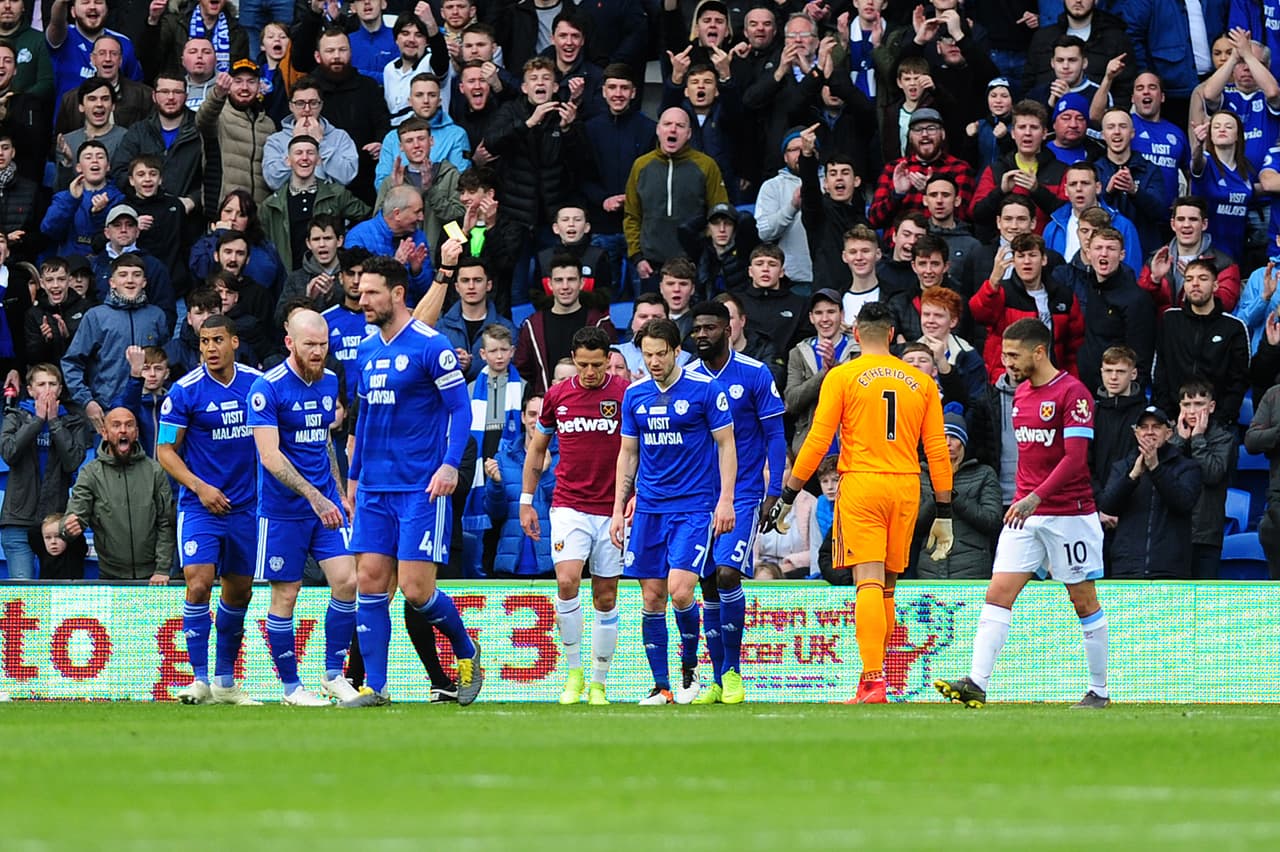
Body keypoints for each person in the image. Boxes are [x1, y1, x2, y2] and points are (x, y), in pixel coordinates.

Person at [766, 301, 953, 704]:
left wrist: (789, 494)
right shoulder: (920, 381)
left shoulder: (843, 375)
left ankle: (872, 681)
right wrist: (944, 512)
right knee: (887, 585)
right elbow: (937, 450)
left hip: (862, 482)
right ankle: (880, 675)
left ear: (855, 333)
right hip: (906, 486)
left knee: (866, 579)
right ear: (891, 335)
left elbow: (818, 440)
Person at [935, 318, 1109, 709]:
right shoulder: (1022, 395)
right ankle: (976, 682)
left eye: (1014, 355)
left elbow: (1075, 460)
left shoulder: (1073, 394)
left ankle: (1099, 690)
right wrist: (1025, 499)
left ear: (1039, 352)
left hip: (1069, 515)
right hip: (1026, 514)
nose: (1007, 362)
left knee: (1083, 600)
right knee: (998, 592)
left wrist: (1036, 497)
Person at [342, 252, 483, 707]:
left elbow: (460, 410)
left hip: (421, 486)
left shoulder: (431, 346)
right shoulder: (366, 349)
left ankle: (466, 649)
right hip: (374, 487)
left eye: (371, 292)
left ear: (398, 294)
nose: (362, 299)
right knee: (369, 582)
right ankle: (375, 686)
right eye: (360, 291)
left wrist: (449, 464)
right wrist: (354, 477)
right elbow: (364, 418)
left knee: (417, 590)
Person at [610, 317, 736, 705]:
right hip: (649, 508)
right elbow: (628, 454)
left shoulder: (704, 390)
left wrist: (726, 499)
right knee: (652, 598)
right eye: (647, 355)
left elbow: (726, 445)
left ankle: (689, 670)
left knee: (680, 591)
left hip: (694, 507)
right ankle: (661, 686)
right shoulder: (635, 395)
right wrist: (617, 509)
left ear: (677, 351)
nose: (653, 362)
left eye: (661, 354)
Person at [249, 310, 360, 706]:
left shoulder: (329, 381)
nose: (317, 351)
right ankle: (291, 688)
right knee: (286, 594)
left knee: (347, 581)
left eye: (323, 344)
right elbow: (269, 456)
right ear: (290, 343)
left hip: (325, 503)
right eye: (309, 344)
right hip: (283, 510)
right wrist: (314, 497)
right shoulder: (267, 388)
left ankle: (333, 674)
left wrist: (338, 492)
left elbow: (322, 442)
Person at [156, 316, 263, 706]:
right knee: (199, 583)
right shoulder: (184, 392)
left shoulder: (257, 385)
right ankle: (199, 679)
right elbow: (165, 450)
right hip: (200, 506)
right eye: (204, 342)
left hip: (246, 507)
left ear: (234, 341)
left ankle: (224, 683)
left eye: (218, 340)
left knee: (239, 592)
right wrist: (200, 487)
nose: (210, 348)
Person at [687, 300, 785, 705]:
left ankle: (732, 671)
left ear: (728, 330)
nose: (701, 335)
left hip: (743, 492)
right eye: (696, 329)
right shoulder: (686, 376)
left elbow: (775, 434)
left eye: (709, 328)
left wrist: (774, 491)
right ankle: (715, 678)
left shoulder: (754, 372)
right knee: (707, 581)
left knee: (728, 574)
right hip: (697, 495)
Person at [521, 327, 624, 703]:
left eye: (597, 365)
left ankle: (599, 682)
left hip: (612, 508)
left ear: (609, 360)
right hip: (569, 505)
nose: (590, 372)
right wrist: (526, 500)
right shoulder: (558, 396)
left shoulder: (625, 394)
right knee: (566, 582)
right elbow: (537, 449)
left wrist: (631, 498)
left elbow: (639, 451)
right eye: (582, 365)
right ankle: (574, 673)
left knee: (606, 595)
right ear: (574, 360)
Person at [61, 254, 170, 434]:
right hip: (108, 410)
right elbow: (71, 363)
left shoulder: (156, 316)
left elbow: (165, 360)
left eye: (136, 275)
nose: (130, 280)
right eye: (123, 275)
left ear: (144, 282)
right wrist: (87, 401)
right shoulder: (96, 316)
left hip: (149, 410)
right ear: (112, 282)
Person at [624, 106, 729, 291]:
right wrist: (637, 257)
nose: (673, 130)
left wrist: (709, 256)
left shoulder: (706, 166)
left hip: (693, 265)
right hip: (651, 266)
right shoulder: (641, 165)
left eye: (680, 126)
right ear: (658, 130)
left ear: (689, 133)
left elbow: (720, 214)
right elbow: (632, 216)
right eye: (667, 124)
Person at [0, 363, 89, 579]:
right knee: (23, 588)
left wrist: (54, 422)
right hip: (18, 520)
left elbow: (72, 462)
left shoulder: (74, 422)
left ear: (60, 389)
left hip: (54, 523)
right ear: (30, 390)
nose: (47, 390)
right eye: (41, 384)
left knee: (54, 589)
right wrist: (38, 420)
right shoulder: (15, 416)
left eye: (52, 384)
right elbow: (9, 453)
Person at [63, 407, 174, 581]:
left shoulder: (154, 471)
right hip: (110, 575)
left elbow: (165, 523)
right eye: (116, 425)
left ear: (136, 433)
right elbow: (76, 514)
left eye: (129, 425)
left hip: (154, 576)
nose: (123, 430)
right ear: (104, 433)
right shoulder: (91, 473)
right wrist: (68, 527)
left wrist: (162, 568)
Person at [1097, 404, 1203, 578]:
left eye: (1156, 427)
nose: (1149, 432)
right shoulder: (1122, 467)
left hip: (1170, 569)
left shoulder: (1187, 467)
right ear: (1136, 433)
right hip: (1126, 568)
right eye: (1144, 427)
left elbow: (1183, 503)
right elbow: (1107, 506)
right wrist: (1132, 476)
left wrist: (1155, 468)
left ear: (1169, 433)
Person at [969, 232, 1084, 382]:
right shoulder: (1001, 292)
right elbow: (979, 314)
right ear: (1013, 260)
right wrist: (993, 281)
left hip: (1051, 380)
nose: (1027, 261)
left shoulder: (1063, 296)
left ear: (1044, 259)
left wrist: (1070, 379)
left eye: (1032, 255)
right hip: (1009, 379)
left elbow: (1074, 346)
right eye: (1021, 256)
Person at [1151, 258, 1249, 425]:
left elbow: (1238, 381)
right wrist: (1169, 416)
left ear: (1215, 286)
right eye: (1189, 279)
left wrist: (1218, 421)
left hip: (1217, 423)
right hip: (1173, 420)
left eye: (1202, 278)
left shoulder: (1234, 327)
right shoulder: (1170, 320)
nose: (1195, 284)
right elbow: (1159, 371)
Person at [513, 255, 616, 396]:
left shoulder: (600, 324)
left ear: (582, 283)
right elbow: (522, 372)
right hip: (547, 402)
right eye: (559, 280)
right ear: (549, 284)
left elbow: (611, 367)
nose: (565, 286)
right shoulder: (532, 326)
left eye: (571, 280)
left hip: (590, 402)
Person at [917, 413, 1001, 579]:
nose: (948, 443)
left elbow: (992, 521)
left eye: (954, 437)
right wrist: (939, 495)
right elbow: (913, 526)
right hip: (930, 569)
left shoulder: (984, 474)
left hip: (972, 571)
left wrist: (955, 497)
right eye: (942, 438)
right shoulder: (921, 476)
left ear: (964, 442)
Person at [1168, 378, 1237, 580]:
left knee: (1203, 595)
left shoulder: (1224, 439)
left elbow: (1212, 474)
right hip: (1171, 533)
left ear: (1211, 406)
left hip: (1205, 534)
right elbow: (1162, 475)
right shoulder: (1171, 439)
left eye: (1198, 404)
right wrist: (1179, 441)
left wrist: (1197, 439)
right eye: (1186, 404)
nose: (1192, 411)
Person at [785, 288, 857, 454]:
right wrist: (824, 373)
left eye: (831, 312)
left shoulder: (858, 349)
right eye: (818, 313)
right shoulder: (798, 353)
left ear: (842, 315)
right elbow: (792, 401)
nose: (825, 319)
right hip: (810, 449)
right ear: (811, 317)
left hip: (850, 449)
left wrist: (835, 367)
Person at [197, 60, 277, 205]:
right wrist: (217, 95)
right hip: (224, 208)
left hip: (258, 211)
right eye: (238, 81)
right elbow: (203, 120)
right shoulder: (219, 115)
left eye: (251, 82)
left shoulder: (268, 124)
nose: (244, 87)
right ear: (228, 86)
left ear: (259, 86)